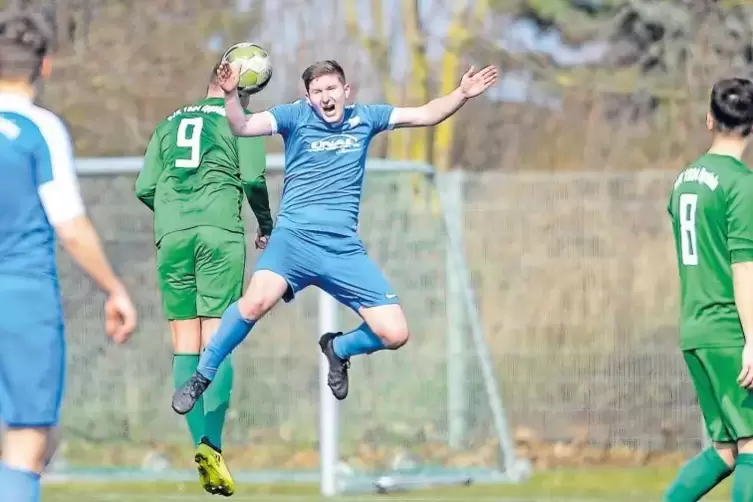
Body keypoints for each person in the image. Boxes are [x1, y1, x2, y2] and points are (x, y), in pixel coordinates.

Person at [171, 58, 497, 415]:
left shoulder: (366, 117)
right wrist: (231, 94)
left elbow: (425, 114)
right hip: (293, 241)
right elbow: (243, 126)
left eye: (330, 89)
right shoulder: (295, 117)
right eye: (317, 92)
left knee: (394, 333)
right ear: (308, 97)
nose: (325, 97)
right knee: (254, 303)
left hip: (342, 249)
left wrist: (462, 94)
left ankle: (338, 349)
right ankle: (203, 375)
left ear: (345, 91)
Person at [0, 7, 137, 502]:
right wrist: (115, 289)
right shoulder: (40, 130)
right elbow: (71, 226)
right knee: (27, 441)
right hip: (21, 300)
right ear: (47, 65)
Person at [135, 63, 272, 497]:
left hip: (172, 235)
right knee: (218, 338)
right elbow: (251, 178)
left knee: (184, 342)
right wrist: (265, 223)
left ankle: (198, 447)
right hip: (218, 233)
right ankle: (213, 446)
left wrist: (177, 215)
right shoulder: (239, 121)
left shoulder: (169, 123)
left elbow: (145, 187)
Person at [665, 77, 753, 502]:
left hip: (695, 328)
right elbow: (743, 267)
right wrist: (752, 341)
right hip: (728, 331)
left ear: (709, 120)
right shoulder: (741, 183)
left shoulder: (685, 180)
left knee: (724, 451)